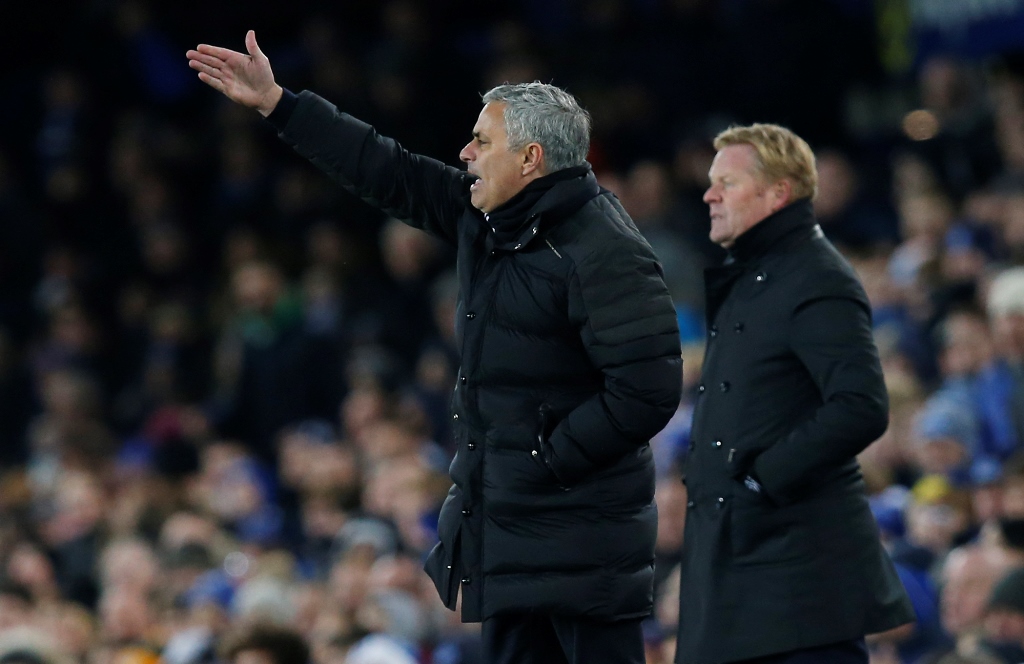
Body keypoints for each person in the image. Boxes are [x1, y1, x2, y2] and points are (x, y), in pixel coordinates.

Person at [186, 31, 682, 664]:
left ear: (530, 159)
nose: (465, 152)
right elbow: (385, 168)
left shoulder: (604, 250)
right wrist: (280, 104)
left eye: (482, 141)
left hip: (582, 551)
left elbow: (649, 389)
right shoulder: (491, 219)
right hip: (509, 538)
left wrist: (544, 455)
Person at [676, 123, 914, 664]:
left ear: (778, 192)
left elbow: (860, 405)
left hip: (799, 583)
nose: (709, 195)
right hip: (744, 575)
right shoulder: (755, 275)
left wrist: (762, 477)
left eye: (726, 183)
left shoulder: (816, 276)